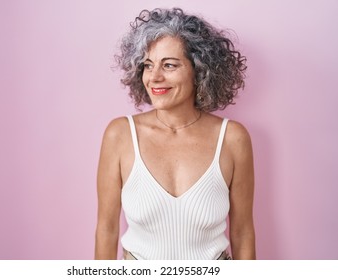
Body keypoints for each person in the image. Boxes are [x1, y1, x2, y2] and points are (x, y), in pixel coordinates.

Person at [95, 7, 255, 260]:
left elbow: (243, 232)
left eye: (169, 65)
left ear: (200, 71)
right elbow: (106, 229)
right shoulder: (120, 135)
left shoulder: (233, 138)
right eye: (148, 65)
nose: (154, 77)